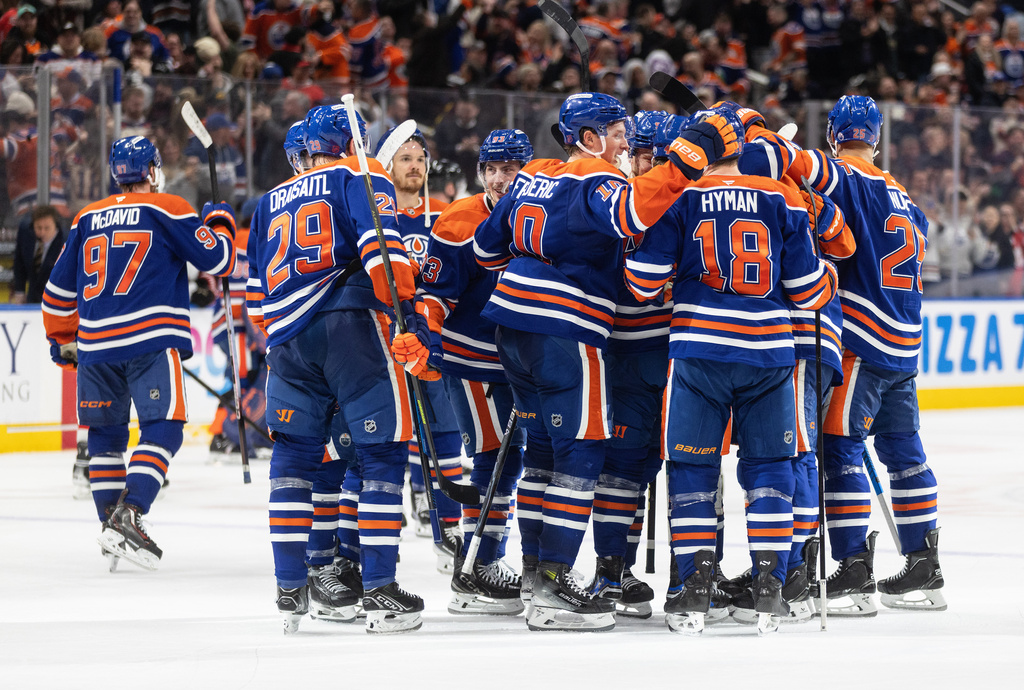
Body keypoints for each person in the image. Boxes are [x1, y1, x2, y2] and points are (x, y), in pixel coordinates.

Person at [473, 92, 740, 631]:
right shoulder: (604, 182)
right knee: (585, 451)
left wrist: (549, 241)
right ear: (591, 138)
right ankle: (555, 583)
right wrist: (700, 147)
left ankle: (535, 573)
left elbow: (485, 248)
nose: (626, 147)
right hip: (567, 329)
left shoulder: (532, 179)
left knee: (544, 450)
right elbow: (635, 210)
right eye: (619, 136)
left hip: (513, 324)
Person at [624, 107, 838, 635]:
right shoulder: (781, 196)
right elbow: (809, 292)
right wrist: (828, 277)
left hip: (699, 353)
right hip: (770, 353)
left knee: (693, 469)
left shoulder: (681, 198)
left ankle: (696, 584)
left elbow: (642, 282)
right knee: (770, 468)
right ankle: (769, 584)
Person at [246, 104, 429, 634]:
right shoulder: (361, 172)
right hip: (350, 327)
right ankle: (378, 590)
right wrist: (409, 318)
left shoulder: (267, 201)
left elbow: (258, 296)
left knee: (294, 460)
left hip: (286, 341)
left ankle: (289, 587)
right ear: (351, 140)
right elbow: (384, 254)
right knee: (382, 454)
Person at [41, 136, 236, 571]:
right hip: (150, 339)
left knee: (106, 440)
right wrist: (220, 221)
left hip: (94, 346)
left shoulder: (85, 217)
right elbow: (219, 260)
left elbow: (56, 292)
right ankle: (130, 515)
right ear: (152, 171)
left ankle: (111, 528)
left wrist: (60, 338)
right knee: (165, 429)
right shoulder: (168, 206)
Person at [785, 95, 945, 614]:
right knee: (904, 452)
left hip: (860, 341)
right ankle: (925, 564)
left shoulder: (842, 175)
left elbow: (791, 164)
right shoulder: (908, 200)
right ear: (877, 138)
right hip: (905, 345)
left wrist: (779, 143)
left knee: (839, 449)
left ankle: (853, 569)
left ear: (835, 134)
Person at [419, 129, 534, 615]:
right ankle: (478, 568)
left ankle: (483, 562)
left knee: (520, 460)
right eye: (494, 168)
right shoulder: (457, 219)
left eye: (511, 167)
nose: (502, 177)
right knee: (493, 458)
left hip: (526, 362)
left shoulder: (542, 212)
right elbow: (435, 293)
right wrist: (426, 336)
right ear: (482, 171)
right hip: (472, 360)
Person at [585, 109, 671, 620]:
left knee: (663, 463)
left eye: (657, 155)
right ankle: (610, 568)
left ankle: (685, 571)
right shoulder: (612, 201)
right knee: (622, 466)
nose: (649, 162)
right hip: (626, 353)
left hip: (680, 354)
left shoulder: (683, 201)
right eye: (643, 153)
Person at [374, 125, 463, 571]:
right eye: (405, 157)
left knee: (445, 431)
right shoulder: (375, 216)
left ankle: (449, 525)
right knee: (391, 435)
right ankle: (368, 546)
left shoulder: (444, 217)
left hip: (432, 341)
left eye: (420, 158)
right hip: (383, 341)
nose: (414, 165)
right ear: (387, 165)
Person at [11, 205, 65, 304]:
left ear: (56, 226)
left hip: (56, 299)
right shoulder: (25, 233)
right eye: (38, 227)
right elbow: (19, 264)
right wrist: (20, 291)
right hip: (32, 297)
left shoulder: (65, 241)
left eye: (47, 228)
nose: (42, 232)